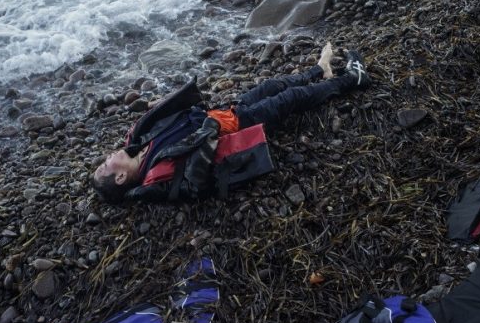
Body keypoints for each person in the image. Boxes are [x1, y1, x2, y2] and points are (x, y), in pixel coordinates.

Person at [92, 43, 371, 203]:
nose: (107, 157)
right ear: (119, 177)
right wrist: (206, 130)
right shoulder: (158, 177)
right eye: (106, 166)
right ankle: (352, 79)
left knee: (274, 84)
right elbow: (195, 180)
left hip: (226, 111)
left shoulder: (139, 144)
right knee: (293, 98)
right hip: (237, 128)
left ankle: (320, 70)